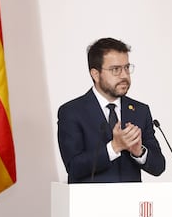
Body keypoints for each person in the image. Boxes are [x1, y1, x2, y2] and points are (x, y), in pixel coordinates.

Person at [57, 37, 165, 183]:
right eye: (116, 70)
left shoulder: (140, 110)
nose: (124, 75)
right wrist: (114, 147)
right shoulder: (71, 112)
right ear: (95, 74)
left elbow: (158, 166)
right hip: (90, 203)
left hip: (131, 203)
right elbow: (74, 167)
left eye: (127, 67)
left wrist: (139, 152)